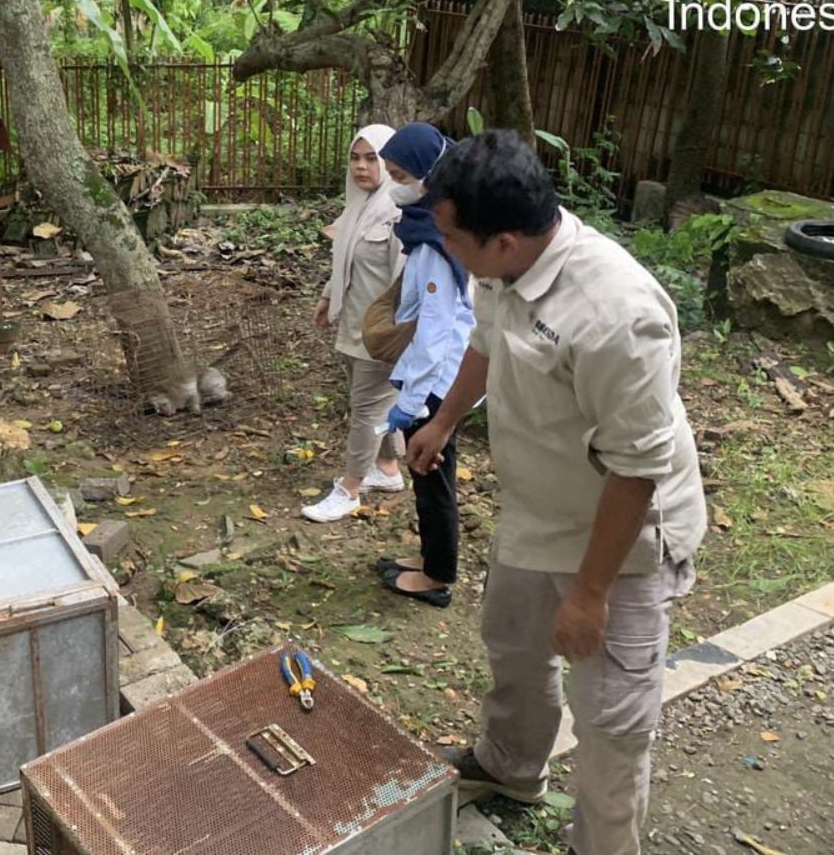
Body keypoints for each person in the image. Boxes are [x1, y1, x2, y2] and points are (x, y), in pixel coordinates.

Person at [405, 130, 707, 855]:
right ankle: (511, 766)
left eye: (451, 236)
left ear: (504, 240)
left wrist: (590, 594)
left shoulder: (617, 316)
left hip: (621, 541)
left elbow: (636, 470)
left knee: (611, 719)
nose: (444, 247)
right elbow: (486, 339)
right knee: (512, 645)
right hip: (538, 512)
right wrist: (444, 420)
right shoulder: (502, 268)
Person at [370, 122, 475, 608]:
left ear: (429, 175)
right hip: (435, 377)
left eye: (399, 174)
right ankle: (431, 559)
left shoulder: (436, 243)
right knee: (428, 476)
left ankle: (438, 577)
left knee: (433, 477)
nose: (394, 183)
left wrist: (411, 403)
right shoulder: (429, 228)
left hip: (438, 384)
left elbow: (435, 334)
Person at [302, 124, 408, 523]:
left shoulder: (398, 211)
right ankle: (388, 470)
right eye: (355, 158)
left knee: (366, 408)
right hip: (352, 322)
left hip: (381, 333)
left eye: (371, 158)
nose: (361, 167)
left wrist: (402, 334)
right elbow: (344, 259)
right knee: (378, 402)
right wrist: (329, 296)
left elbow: (407, 280)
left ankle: (349, 489)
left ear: (388, 162)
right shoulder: (357, 205)